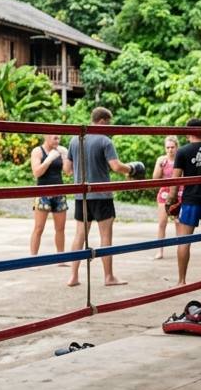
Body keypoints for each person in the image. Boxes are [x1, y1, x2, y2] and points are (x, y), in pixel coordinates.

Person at [67, 107, 141, 288]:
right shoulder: (104, 141)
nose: (109, 127)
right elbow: (115, 166)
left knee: (79, 235)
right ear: (101, 121)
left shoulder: (75, 139)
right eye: (108, 123)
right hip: (101, 194)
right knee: (105, 237)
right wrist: (132, 168)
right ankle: (109, 277)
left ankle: (73, 276)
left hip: (81, 195)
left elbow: (67, 170)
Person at [170, 119, 201, 285]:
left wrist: (170, 200)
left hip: (190, 201)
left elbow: (175, 179)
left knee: (184, 240)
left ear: (187, 134)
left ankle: (181, 281)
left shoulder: (183, 151)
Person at [30, 134, 71, 261]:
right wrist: (49, 159)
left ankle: (61, 258)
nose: (58, 140)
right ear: (46, 137)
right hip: (43, 191)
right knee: (39, 228)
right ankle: (33, 259)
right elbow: (36, 172)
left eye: (59, 138)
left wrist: (66, 157)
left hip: (59, 191)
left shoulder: (60, 150)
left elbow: (68, 172)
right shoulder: (37, 151)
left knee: (60, 228)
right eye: (55, 138)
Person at [151, 136, 180, 259]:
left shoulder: (181, 158)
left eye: (172, 147)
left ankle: (181, 249)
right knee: (162, 223)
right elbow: (155, 179)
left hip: (179, 192)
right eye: (167, 147)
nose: (170, 150)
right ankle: (160, 251)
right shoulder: (162, 160)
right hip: (164, 193)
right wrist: (160, 165)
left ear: (176, 147)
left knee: (178, 223)